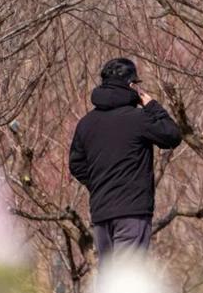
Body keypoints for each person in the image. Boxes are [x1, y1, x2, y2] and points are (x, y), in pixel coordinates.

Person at [69, 58, 182, 265]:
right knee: (126, 281)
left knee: (110, 281)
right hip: (132, 212)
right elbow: (172, 136)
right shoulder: (138, 118)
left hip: (101, 213)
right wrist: (152, 106)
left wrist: (99, 184)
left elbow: (76, 165)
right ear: (131, 85)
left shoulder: (86, 124)